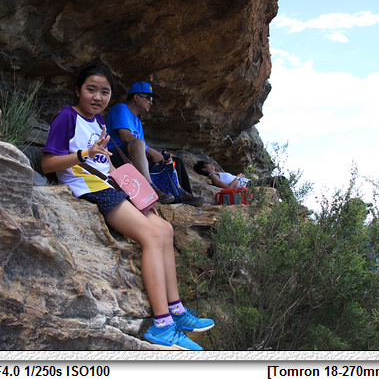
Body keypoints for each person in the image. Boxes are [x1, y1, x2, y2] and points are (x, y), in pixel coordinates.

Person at [41, 64, 213, 350]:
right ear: (78, 90)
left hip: (108, 187)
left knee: (165, 229)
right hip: (86, 188)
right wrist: (84, 154)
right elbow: (48, 164)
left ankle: (177, 310)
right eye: (91, 89)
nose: (97, 97)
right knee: (151, 235)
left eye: (104, 92)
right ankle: (161, 325)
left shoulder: (99, 122)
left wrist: (140, 196)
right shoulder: (67, 117)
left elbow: (108, 166)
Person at [105, 81, 205, 207]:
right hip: (114, 157)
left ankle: (181, 193)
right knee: (139, 144)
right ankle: (150, 188)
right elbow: (125, 137)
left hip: (132, 156)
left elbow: (142, 147)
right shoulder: (121, 108)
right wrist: (151, 151)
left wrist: (160, 155)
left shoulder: (137, 120)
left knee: (174, 161)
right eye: (148, 98)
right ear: (136, 97)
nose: (151, 102)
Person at [193, 160, 297, 205]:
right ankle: (293, 205)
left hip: (250, 183)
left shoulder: (217, 173)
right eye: (208, 164)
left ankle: (291, 204)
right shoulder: (213, 176)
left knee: (278, 182)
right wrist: (238, 178)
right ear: (204, 169)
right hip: (248, 186)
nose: (211, 164)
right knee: (280, 180)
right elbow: (228, 188)